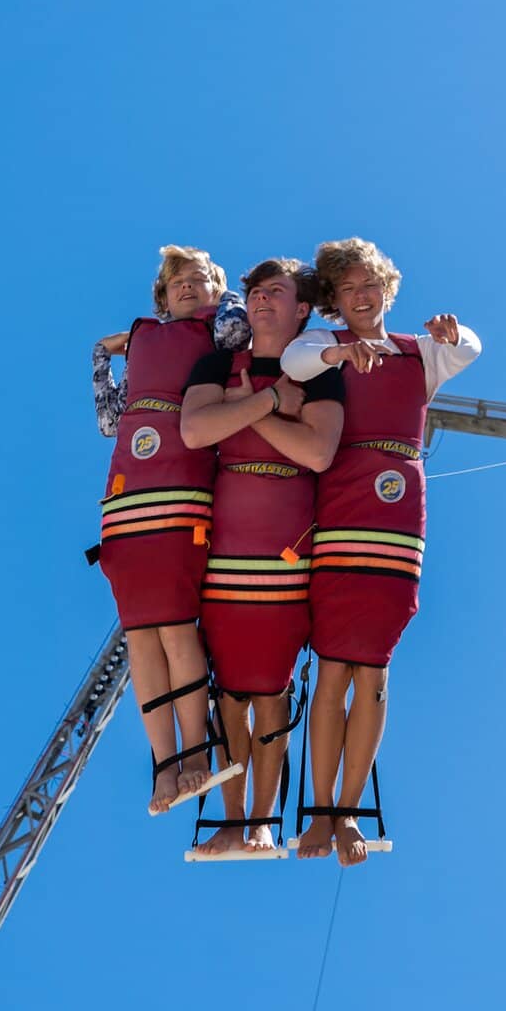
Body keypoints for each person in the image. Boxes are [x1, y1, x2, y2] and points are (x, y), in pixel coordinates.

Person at [280, 237, 481, 866]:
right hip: (341, 507)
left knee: (374, 665)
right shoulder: (325, 347)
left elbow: (469, 347)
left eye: (371, 285)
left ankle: (347, 814)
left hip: (398, 514)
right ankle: (319, 812)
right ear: (335, 300)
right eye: (349, 289)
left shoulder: (419, 354)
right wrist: (342, 347)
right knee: (333, 665)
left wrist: (454, 328)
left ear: (387, 290)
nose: (362, 296)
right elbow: (295, 359)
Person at [181, 258, 344, 855]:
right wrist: (274, 400)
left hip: (286, 548)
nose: (261, 300)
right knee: (230, 689)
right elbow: (195, 432)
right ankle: (229, 825)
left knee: (272, 687)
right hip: (223, 548)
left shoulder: (320, 370)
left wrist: (257, 407)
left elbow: (319, 453)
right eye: (254, 292)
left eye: (276, 292)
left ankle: (262, 823)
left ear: (303, 308)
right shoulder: (218, 364)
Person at [93, 245, 250, 815]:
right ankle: (163, 766)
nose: (186, 287)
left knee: (178, 629)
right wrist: (101, 355)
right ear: (160, 296)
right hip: (126, 496)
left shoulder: (222, 328)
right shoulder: (146, 339)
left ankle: (197, 755)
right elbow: (110, 420)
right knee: (141, 639)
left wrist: (224, 289)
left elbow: (238, 327)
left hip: (181, 489)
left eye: (198, 279)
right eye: (175, 282)